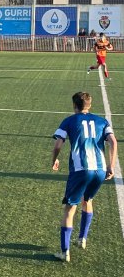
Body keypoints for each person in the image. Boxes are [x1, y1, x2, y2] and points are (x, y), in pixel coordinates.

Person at [51, 92, 118, 262]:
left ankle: (64, 251)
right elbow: (113, 142)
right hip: (100, 169)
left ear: (74, 105)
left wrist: (55, 159)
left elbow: (58, 143)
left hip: (81, 169)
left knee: (69, 208)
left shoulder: (69, 121)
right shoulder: (102, 121)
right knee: (87, 200)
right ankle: (82, 239)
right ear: (90, 104)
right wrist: (111, 165)